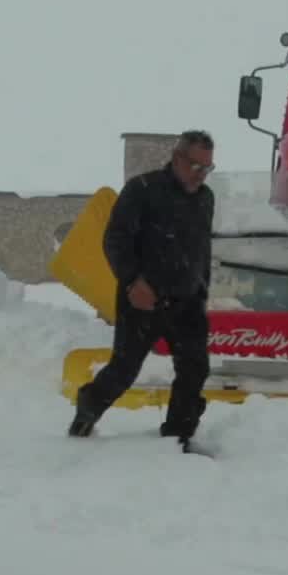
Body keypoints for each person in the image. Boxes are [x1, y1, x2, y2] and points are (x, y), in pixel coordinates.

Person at [67, 130, 217, 449]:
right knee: (125, 369)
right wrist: (134, 281)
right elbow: (115, 240)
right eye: (195, 166)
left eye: (207, 168)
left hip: (187, 302)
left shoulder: (206, 199)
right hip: (143, 299)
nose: (201, 175)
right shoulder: (142, 190)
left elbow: (201, 250)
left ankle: (179, 434)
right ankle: (89, 407)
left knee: (195, 368)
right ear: (177, 158)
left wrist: (201, 290)